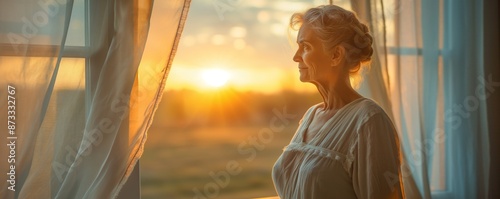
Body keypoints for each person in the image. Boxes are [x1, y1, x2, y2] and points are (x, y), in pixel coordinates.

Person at [272, 5, 404, 199]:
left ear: (335, 55)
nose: (296, 57)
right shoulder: (311, 115)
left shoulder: (369, 121)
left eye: (306, 47)